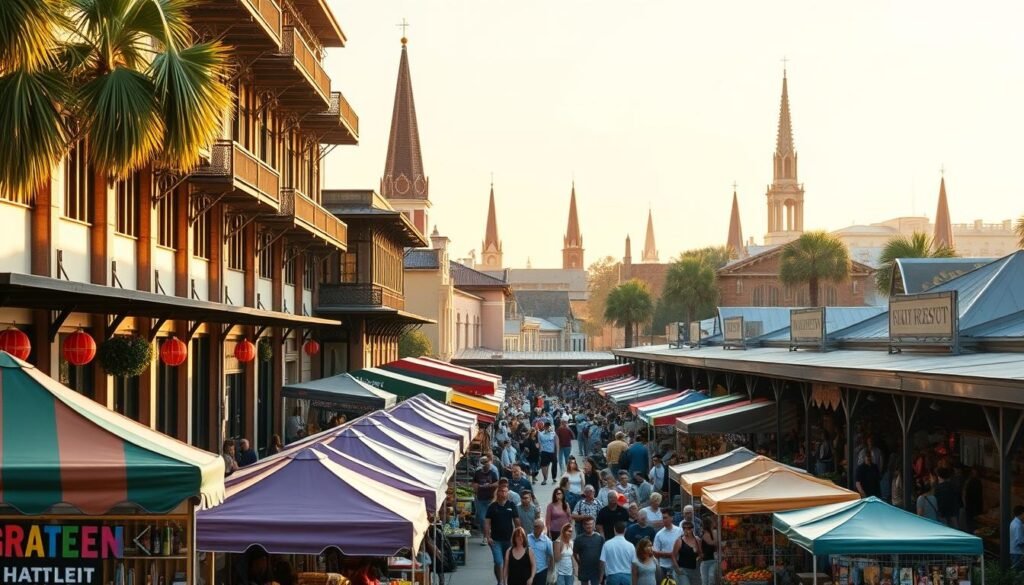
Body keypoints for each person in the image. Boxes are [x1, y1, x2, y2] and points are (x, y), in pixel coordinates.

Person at [485, 483, 521, 584]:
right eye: (502, 491)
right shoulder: (492, 507)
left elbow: (517, 521)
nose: (504, 493)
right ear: (498, 492)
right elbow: (487, 523)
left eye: (506, 491)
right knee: (498, 561)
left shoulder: (511, 505)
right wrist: (488, 537)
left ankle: (505, 581)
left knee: (507, 562)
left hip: (509, 539)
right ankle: (500, 582)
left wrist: (518, 535)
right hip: (495, 540)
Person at [473, 456, 500, 545]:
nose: (486, 465)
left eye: (487, 462)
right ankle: (485, 535)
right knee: (482, 518)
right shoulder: (477, 473)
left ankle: (489, 535)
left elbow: (497, 483)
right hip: (480, 499)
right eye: (484, 463)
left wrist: (489, 486)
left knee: (490, 518)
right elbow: (474, 483)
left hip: (490, 499)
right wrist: (476, 487)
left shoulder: (493, 473)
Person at [599, 521, 636, 585]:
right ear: (625, 530)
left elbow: (602, 562)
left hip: (612, 576)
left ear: (614, 529)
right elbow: (634, 564)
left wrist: (600, 577)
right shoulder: (631, 546)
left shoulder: (607, 544)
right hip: (627, 576)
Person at [653, 509, 682, 583]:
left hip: (677, 564)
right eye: (662, 518)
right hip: (663, 566)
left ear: (671, 518)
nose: (663, 520)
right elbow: (655, 552)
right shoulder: (659, 534)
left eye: (665, 517)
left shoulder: (679, 531)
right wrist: (668, 554)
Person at [573, 518, 604, 585]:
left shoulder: (600, 538)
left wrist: (602, 573)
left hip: (596, 570)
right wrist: (579, 563)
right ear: (583, 526)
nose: (589, 526)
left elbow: (603, 556)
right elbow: (575, 553)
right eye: (587, 524)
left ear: (594, 525)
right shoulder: (578, 539)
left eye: (591, 524)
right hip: (584, 569)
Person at [672, 519, 703, 585]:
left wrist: (699, 558)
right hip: (683, 570)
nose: (686, 530)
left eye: (688, 528)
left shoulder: (697, 540)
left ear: (692, 529)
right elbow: (673, 556)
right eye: (684, 528)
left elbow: (700, 553)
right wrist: (677, 568)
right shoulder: (679, 541)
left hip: (695, 570)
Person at [529, 519, 554, 585]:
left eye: (538, 526)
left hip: (541, 571)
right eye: (534, 526)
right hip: (528, 570)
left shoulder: (547, 541)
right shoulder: (527, 538)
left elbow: (552, 556)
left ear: (542, 528)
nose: (535, 528)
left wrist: (550, 572)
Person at [962, 466, 983, 535]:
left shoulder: (971, 481)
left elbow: (967, 494)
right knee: (974, 523)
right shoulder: (976, 481)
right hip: (975, 506)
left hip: (971, 506)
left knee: (970, 524)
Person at [699, 514, 719, 585]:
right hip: (706, 561)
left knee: (711, 579)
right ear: (710, 524)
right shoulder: (705, 534)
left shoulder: (713, 532)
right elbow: (712, 543)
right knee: (705, 581)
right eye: (713, 522)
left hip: (712, 560)